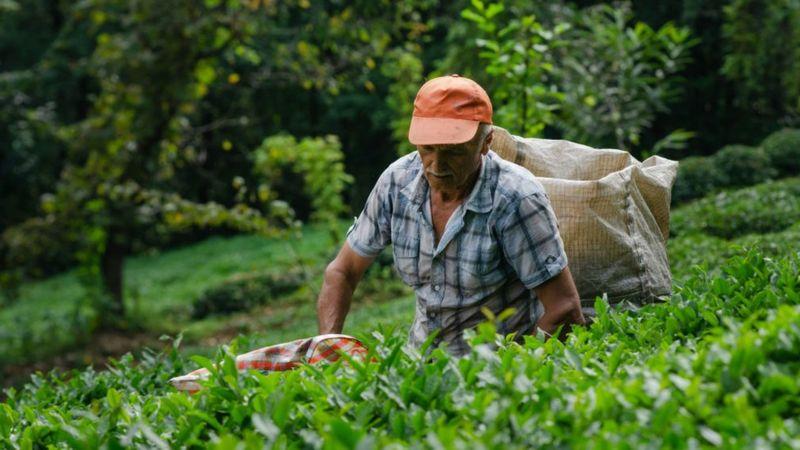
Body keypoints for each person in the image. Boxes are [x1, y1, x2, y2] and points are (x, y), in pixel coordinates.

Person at [316, 74, 586, 355]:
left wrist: (516, 374)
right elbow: (342, 272)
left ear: (486, 142)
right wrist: (328, 347)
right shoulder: (396, 183)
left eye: (453, 152)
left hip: (494, 367)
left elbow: (564, 309)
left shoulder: (515, 198)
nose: (436, 164)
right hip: (421, 366)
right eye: (427, 148)